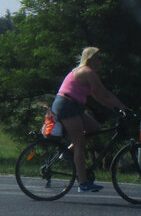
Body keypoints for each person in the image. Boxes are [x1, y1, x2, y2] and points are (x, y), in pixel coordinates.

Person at [50, 47, 127, 193]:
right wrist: (124, 108)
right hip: (67, 105)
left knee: (94, 129)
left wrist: (115, 109)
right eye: (98, 57)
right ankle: (83, 183)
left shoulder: (86, 73)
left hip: (74, 106)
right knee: (80, 144)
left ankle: (67, 152)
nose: (100, 61)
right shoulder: (87, 72)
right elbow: (104, 93)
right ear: (90, 58)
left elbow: (98, 96)